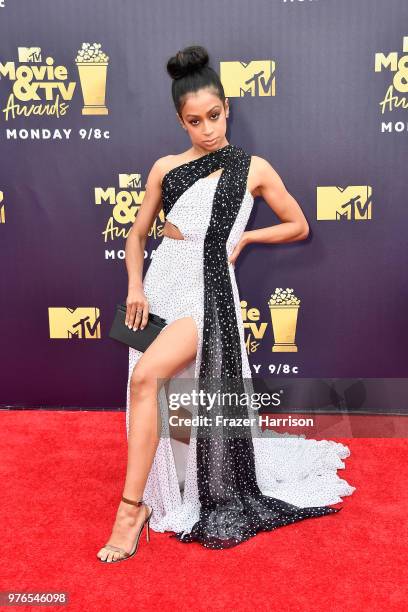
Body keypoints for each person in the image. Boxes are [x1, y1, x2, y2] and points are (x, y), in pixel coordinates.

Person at [96, 45, 355, 563]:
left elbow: (299, 222)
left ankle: (131, 510)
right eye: (195, 121)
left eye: (214, 116)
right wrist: (134, 287)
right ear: (181, 121)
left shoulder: (252, 168)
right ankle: (164, 486)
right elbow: (136, 234)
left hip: (207, 292)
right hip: (161, 282)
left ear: (227, 109)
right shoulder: (166, 168)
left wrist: (249, 239)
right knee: (161, 393)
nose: (208, 129)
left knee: (146, 379)